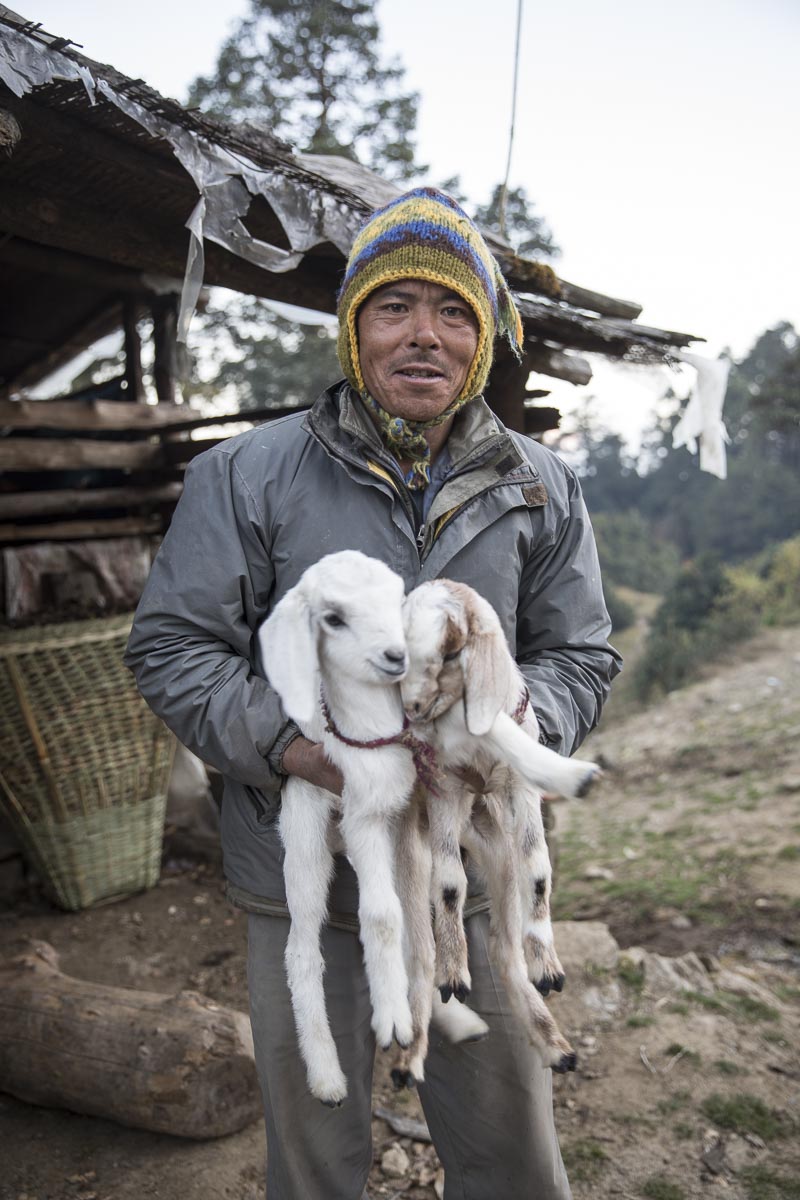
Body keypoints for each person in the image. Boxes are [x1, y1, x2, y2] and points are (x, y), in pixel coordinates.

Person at [125, 187, 621, 1200]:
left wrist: (515, 723)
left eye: (452, 312)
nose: (423, 336)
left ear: (483, 340)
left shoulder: (538, 484)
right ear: (354, 329)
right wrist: (296, 751)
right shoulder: (247, 476)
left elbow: (579, 652)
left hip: (470, 873)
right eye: (394, 307)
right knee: (315, 1158)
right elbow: (173, 646)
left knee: (512, 1153)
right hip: (310, 880)